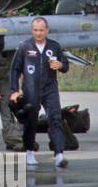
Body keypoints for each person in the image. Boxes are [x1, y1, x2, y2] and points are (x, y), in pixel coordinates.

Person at [9, 17, 70, 168]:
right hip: (31, 90)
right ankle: (29, 151)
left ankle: (59, 154)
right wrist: (14, 91)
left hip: (50, 89)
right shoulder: (24, 47)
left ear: (47, 31)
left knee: (55, 118)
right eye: (35, 30)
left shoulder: (54, 46)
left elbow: (66, 66)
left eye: (41, 30)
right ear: (32, 31)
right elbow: (14, 70)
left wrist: (60, 65)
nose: (38, 33)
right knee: (31, 122)